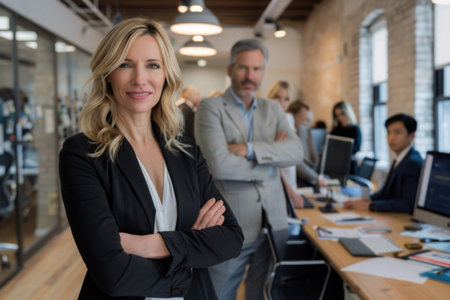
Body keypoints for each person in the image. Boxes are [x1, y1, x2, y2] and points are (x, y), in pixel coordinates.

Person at [59, 18, 243, 300]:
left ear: (166, 75)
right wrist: (189, 255)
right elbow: (113, 274)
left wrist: (149, 244)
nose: (140, 79)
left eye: (152, 65)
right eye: (125, 64)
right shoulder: (82, 154)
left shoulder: (184, 149)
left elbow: (230, 238)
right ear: (107, 73)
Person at [195, 39, 303, 300]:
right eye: (243, 68)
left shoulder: (274, 108)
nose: (250, 76)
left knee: (262, 293)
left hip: (274, 222)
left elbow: (296, 152)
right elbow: (220, 165)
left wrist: (251, 149)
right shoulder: (211, 109)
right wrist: (270, 162)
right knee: (219, 294)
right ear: (230, 70)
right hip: (232, 223)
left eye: (256, 69)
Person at [344, 113, 423, 214]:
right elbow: (386, 192)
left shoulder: (413, 163)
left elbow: (407, 203)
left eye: (397, 132)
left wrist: (372, 205)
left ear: (412, 136)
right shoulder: (400, 159)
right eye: (389, 132)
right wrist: (367, 199)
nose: (391, 137)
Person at [267, 80, 304, 208]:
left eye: (286, 99)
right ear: (270, 96)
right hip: (278, 186)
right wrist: (291, 192)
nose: (282, 103)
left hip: (290, 181)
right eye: (278, 97)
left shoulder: (288, 118)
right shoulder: (266, 122)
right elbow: (275, 165)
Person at [286, 100, 327, 188]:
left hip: (310, 175)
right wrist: (316, 178)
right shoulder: (287, 134)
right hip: (298, 179)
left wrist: (317, 176)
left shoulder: (305, 131)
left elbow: (314, 157)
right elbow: (297, 164)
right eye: (302, 120)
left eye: (306, 120)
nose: (304, 123)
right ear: (291, 116)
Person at [330, 101, 361, 174]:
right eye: (337, 116)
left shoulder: (355, 129)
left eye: (342, 114)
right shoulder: (335, 131)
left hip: (350, 166)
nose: (340, 118)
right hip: (336, 165)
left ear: (347, 113)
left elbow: (357, 148)